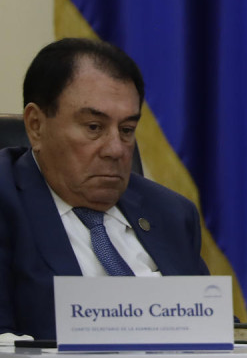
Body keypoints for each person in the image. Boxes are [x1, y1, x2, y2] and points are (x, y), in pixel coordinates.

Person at [0, 38, 208, 339]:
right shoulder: (7, 202)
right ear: (36, 125)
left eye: (126, 130)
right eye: (94, 127)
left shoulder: (171, 213)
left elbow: (214, 330)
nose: (115, 149)